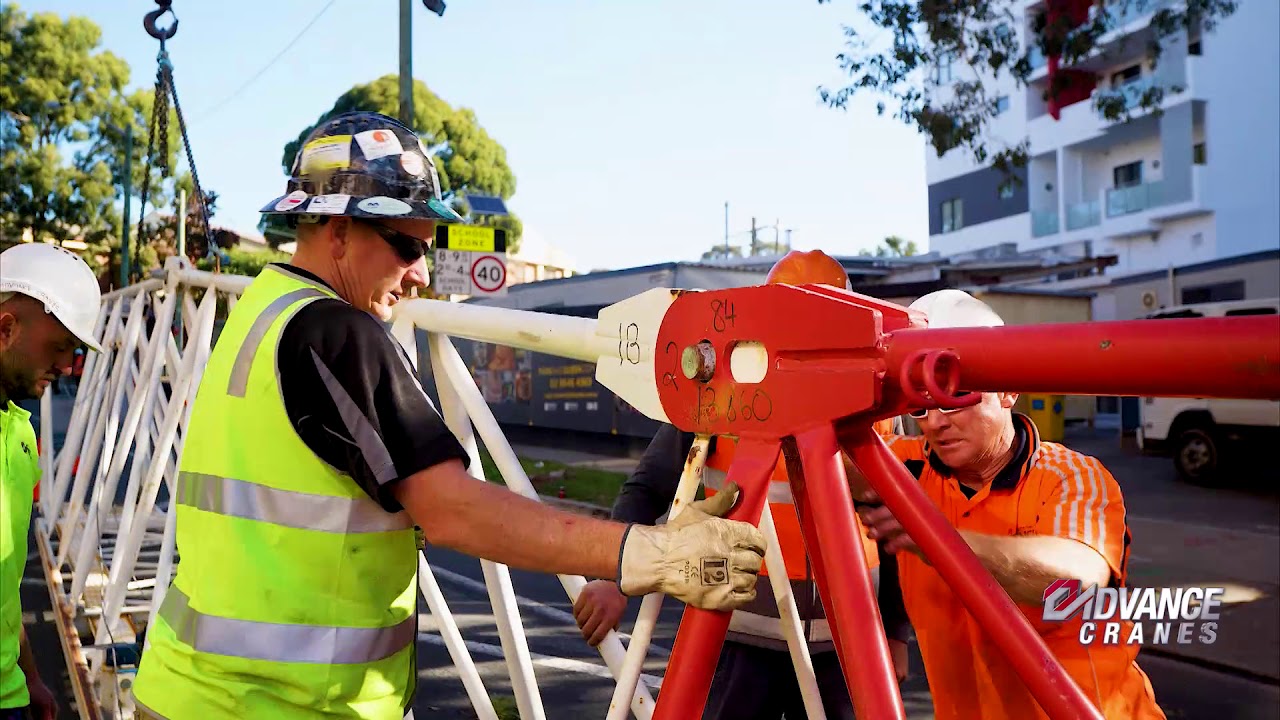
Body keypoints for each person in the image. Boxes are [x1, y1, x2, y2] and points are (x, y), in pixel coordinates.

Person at [130, 111, 767, 720]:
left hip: (196, 687)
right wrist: (648, 554)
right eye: (407, 245)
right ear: (337, 229)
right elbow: (452, 509)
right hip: (277, 704)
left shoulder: (260, 311)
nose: (420, 275)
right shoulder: (335, 332)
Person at [573, 250, 911, 720]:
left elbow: (892, 532)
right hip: (736, 640)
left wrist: (894, 630)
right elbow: (647, 488)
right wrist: (614, 578)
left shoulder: (876, 413)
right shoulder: (719, 401)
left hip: (847, 643)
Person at [852, 289, 1165, 719]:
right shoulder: (908, 467)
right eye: (920, 405)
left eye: (955, 396)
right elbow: (823, 449)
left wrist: (937, 538)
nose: (937, 422)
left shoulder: (1071, 476)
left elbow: (1076, 581)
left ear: (1007, 391)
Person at [0, 242, 104, 720]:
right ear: (6, 328)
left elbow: (6, 584)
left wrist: (30, 676)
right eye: (58, 346)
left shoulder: (20, 433)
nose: (67, 366)